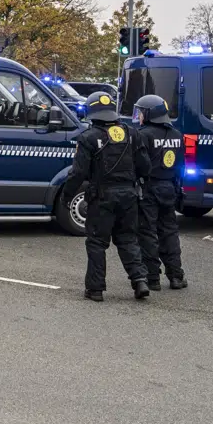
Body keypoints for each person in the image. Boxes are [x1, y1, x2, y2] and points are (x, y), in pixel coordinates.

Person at [63, 91, 150, 302]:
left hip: (102, 198)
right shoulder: (132, 133)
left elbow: (78, 173)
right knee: (128, 239)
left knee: (96, 243)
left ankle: (95, 289)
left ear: (92, 112)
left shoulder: (88, 137)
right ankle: (140, 281)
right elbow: (145, 166)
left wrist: (67, 196)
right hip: (129, 196)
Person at [134, 94, 187, 290]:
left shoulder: (142, 135)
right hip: (169, 187)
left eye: (141, 112)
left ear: (149, 114)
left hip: (148, 188)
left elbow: (138, 163)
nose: (138, 116)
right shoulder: (177, 135)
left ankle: (152, 277)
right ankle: (176, 276)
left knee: (147, 233)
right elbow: (181, 164)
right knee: (169, 232)